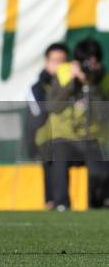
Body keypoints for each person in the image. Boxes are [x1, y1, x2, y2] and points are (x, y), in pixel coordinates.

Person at [36, 39, 109, 210]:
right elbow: (53, 106)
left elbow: (103, 115)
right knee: (57, 160)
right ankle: (61, 204)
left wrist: (91, 85)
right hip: (65, 137)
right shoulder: (63, 73)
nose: (89, 67)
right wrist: (70, 82)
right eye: (86, 63)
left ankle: (97, 206)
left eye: (94, 62)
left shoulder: (103, 78)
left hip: (93, 139)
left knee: (100, 171)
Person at [24, 43, 69, 210]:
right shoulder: (37, 89)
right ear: (47, 63)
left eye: (63, 61)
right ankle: (53, 201)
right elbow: (42, 114)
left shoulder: (78, 83)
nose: (58, 65)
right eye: (54, 61)